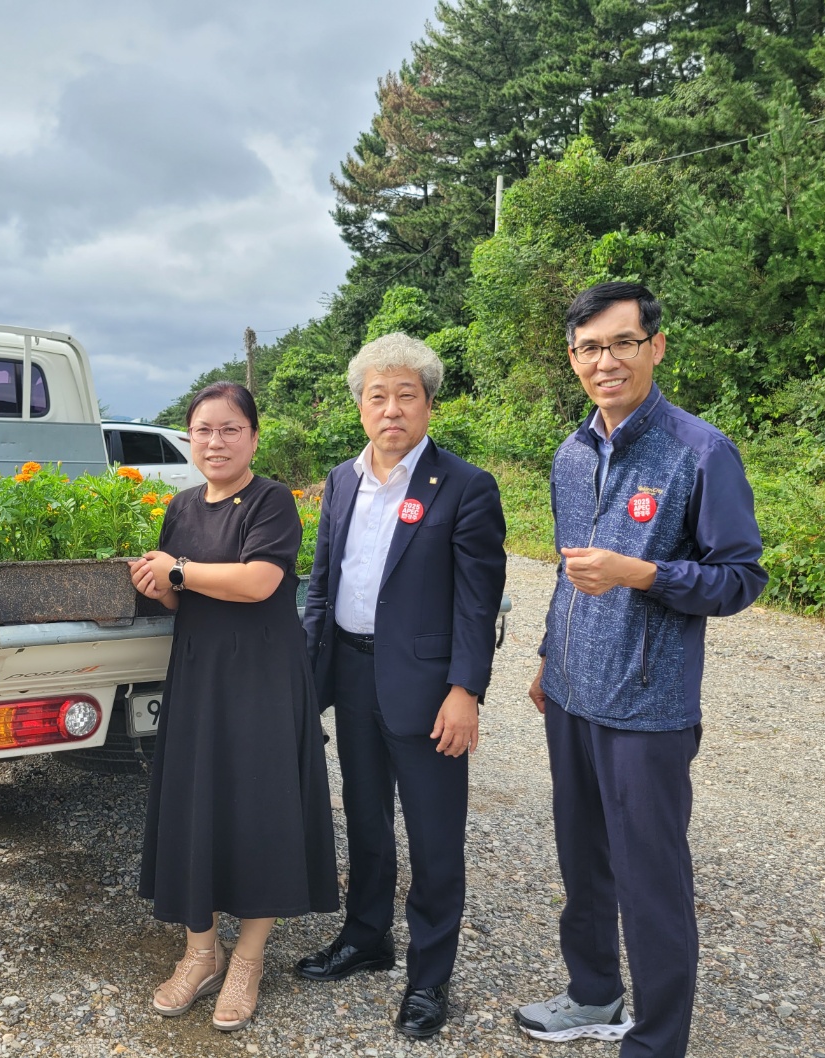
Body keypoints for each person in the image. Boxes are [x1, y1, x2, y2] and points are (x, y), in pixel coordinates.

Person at [517, 283, 767, 1057]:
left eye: (622, 343)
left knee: (648, 880)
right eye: (590, 347)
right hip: (569, 695)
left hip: (647, 708)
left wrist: (644, 573)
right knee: (582, 862)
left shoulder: (700, 451)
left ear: (654, 347)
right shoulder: (571, 451)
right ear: (572, 359)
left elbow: (740, 578)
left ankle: (657, 1042)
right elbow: (566, 570)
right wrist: (545, 656)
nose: (606, 360)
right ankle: (593, 994)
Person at [298, 333, 507, 1039]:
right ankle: (365, 938)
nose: (390, 409)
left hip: (425, 686)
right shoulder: (339, 481)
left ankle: (428, 978)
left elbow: (478, 601)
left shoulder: (466, 486)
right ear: (359, 406)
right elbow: (322, 588)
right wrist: (307, 674)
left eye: (405, 395)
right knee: (363, 817)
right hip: (353, 673)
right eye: (376, 396)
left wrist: (465, 690)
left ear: (427, 403)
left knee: (435, 837)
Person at [130, 382, 338, 1033]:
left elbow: (259, 581)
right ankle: (200, 952)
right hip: (197, 679)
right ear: (188, 437)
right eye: (202, 430)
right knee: (196, 807)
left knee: (259, 813)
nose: (214, 442)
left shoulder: (270, 500)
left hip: (262, 682)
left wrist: (178, 572)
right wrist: (155, 582)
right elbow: (174, 595)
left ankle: (247, 958)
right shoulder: (182, 504)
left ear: (252, 436)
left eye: (228, 429)